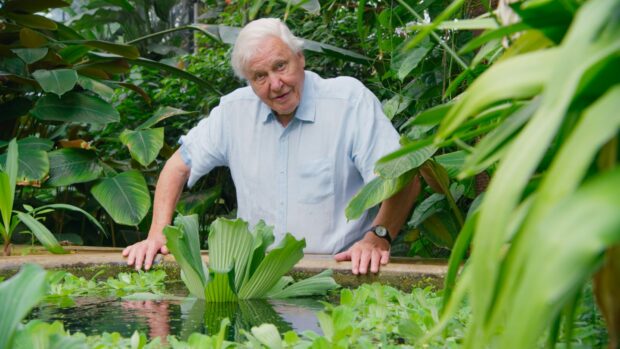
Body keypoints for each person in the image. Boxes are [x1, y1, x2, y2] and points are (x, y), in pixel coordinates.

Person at [123, 18, 419, 275]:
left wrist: (377, 236)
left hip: (340, 276)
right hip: (256, 284)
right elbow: (178, 166)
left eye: (281, 66)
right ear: (248, 81)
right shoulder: (233, 112)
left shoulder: (349, 102)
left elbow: (404, 178)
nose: (275, 84)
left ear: (300, 58)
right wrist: (156, 235)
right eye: (260, 76)